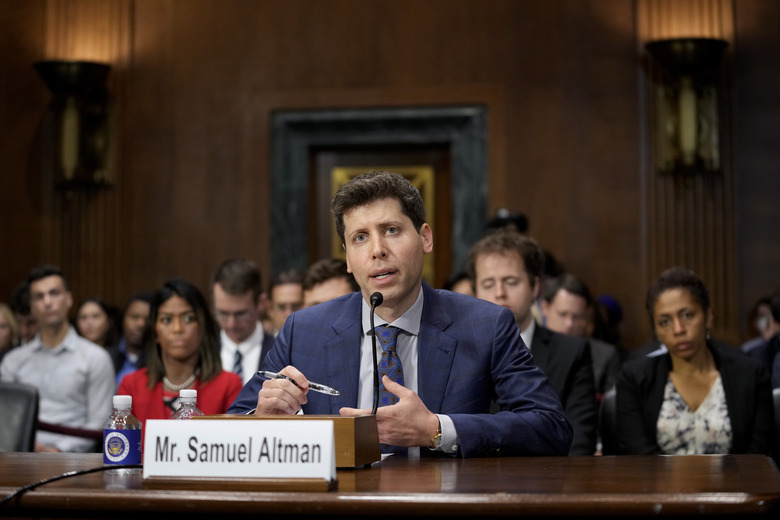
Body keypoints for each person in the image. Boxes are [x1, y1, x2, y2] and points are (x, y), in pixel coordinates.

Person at [228, 171, 572, 457]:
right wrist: (262, 417)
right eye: (360, 238)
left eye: (391, 230)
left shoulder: (485, 324)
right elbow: (232, 428)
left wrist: (437, 429)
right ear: (348, 258)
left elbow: (550, 427)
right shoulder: (305, 329)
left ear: (425, 237)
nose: (378, 250)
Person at [616, 267, 774, 456]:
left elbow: (759, 458)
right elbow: (638, 455)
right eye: (664, 321)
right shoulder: (633, 378)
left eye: (687, 315)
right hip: (657, 485)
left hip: (737, 485)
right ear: (655, 329)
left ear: (708, 316)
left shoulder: (751, 375)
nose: (678, 329)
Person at [468, 230, 597, 455]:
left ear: (535, 287)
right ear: (474, 291)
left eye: (511, 282)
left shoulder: (571, 352)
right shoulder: (458, 352)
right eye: (488, 284)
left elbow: (579, 443)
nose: (500, 293)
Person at [0, 265, 115, 452]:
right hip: (19, 458)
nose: (47, 302)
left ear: (68, 299)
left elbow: (100, 424)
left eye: (54, 293)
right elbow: (5, 421)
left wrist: (57, 451)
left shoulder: (95, 358)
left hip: (74, 464)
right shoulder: (13, 361)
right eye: (39, 296)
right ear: (32, 306)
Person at [118, 278, 242, 428]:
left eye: (188, 318)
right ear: (155, 331)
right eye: (167, 319)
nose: (177, 328)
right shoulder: (132, 386)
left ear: (202, 327)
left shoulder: (228, 385)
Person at [541, 273, 620, 399]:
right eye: (562, 314)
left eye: (576, 317)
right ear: (545, 308)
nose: (569, 324)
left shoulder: (605, 355)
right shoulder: (526, 347)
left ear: (587, 315)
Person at [211, 258, 274, 385]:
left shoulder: (278, 353)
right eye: (223, 313)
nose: (231, 324)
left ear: (261, 303)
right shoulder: (201, 354)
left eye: (241, 314)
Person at [108, 291, 153, 385]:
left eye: (147, 319)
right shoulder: (107, 357)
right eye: (134, 317)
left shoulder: (160, 361)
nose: (141, 324)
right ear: (123, 319)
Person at [266, 269, 304, 336]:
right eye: (282, 307)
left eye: (295, 306)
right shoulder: (260, 345)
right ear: (270, 309)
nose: (289, 314)